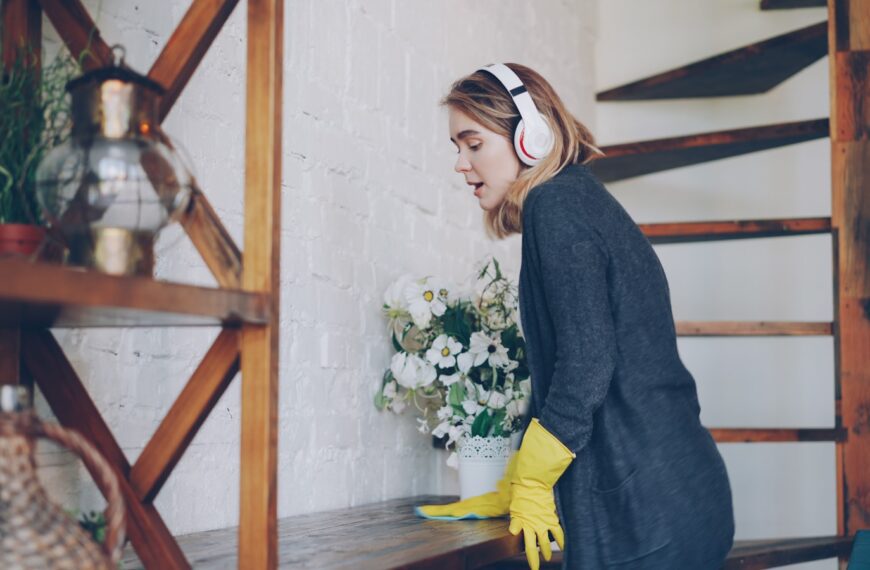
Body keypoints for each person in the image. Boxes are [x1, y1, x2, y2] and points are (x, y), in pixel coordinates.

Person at [416, 63, 735, 569]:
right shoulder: (574, 198)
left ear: (531, 137)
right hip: (673, 491)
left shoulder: (557, 205)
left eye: (473, 144)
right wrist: (516, 477)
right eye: (457, 147)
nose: (460, 163)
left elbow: (587, 362)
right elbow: (571, 360)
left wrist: (534, 477)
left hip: (648, 511)